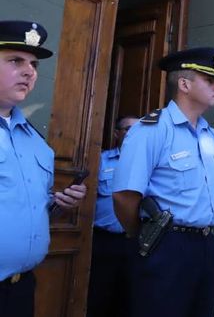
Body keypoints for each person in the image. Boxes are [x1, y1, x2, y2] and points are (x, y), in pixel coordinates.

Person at [113, 47, 214, 317]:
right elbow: (124, 196)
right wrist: (139, 233)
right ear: (184, 84)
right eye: (209, 80)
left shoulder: (209, 135)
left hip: (207, 244)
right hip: (167, 244)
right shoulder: (151, 129)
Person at [0, 20, 87, 316]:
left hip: (20, 287)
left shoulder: (37, 143)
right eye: (15, 60)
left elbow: (27, 207)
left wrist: (59, 204)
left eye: (34, 65)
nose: (29, 71)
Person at [87, 115, 139, 317]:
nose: (134, 133)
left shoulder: (151, 165)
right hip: (104, 242)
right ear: (117, 133)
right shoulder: (101, 160)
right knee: (99, 298)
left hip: (136, 243)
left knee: (130, 300)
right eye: (128, 129)